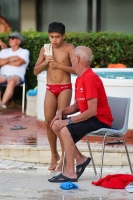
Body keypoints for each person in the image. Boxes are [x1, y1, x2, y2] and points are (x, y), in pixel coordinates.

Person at [48, 46, 113, 182]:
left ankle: (70, 172)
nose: (70, 60)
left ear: (77, 59)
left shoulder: (90, 78)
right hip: (90, 117)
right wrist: (62, 112)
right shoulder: (80, 78)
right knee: (55, 125)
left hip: (100, 119)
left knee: (65, 129)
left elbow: (92, 111)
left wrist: (68, 121)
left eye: (72, 57)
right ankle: (80, 159)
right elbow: (78, 105)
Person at [34, 22, 75, 171]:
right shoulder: (46, 49)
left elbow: (76, 69)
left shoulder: (69, 48)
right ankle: (54, 154)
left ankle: (64, 156)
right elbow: (35, 71)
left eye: (57, 37)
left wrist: (58, 65)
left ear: (64, 36)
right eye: (51, 37)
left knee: (60, 122)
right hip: (50, 88)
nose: (54, 40)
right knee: (48, 122)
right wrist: (45, 62)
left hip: (65, 87)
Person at [0, 32, 30, 110]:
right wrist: (11, 58)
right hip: (2, 74)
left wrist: (5, 61)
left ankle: (2, 105)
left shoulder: (24, 52)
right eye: (9, 38)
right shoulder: (4, 51)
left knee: (12, 81)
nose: (10, 39)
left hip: (16, 75)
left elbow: (18, 63)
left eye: (12, 38)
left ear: (19, 41)